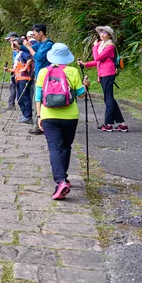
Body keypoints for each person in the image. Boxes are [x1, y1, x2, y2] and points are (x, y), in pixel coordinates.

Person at [34, 43, 90, 200]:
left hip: (48, 115)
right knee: (66, 146)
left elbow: (38, 96)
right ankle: (63, 179)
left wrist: (39, 116)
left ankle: (60, 182)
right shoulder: (72, 71)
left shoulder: (44, 72)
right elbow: (80, 94)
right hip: (70, 116)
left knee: (54, 148)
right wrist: (86, 86)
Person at [79, 26, 127, 132]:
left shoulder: (110, 46)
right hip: (103, 73)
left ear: (109, 35)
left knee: (108, 98)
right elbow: (98, 62)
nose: (102, 34)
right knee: (109, 98)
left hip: (108, 73)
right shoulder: (102, 45)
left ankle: (108, 124)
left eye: (105, 33)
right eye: (101, 32)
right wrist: (85, 64)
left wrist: (95, 47)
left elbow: (97, 58)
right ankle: (122, 124)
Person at [4, 37, 34, 123]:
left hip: (24, 78)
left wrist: (25, 68)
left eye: (15, 44)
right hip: (19, 78)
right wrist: (8, 70)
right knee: (20, 98)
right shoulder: (18, 54)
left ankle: (28, 116)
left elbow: (30, 59)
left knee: (24, 97)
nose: (13, 46)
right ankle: (25, 115)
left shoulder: (23, 53)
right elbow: (17, 69)